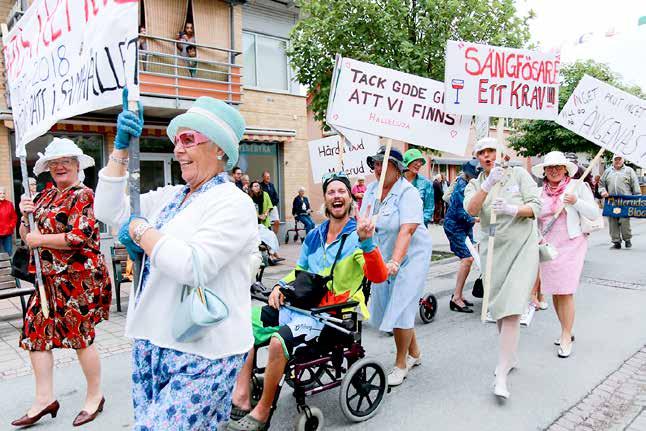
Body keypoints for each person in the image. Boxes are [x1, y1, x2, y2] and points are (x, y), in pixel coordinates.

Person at [94, 94, 259, 430]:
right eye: (176, 140)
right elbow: (108, 212)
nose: (178, 149)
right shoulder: (171, 196)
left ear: (219, 149)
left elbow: (193, 265)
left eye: (188, 139)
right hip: (151, 342)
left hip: (205, 351)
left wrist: (142, 232)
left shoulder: (233, 203)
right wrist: (120, 150)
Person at [227, 172, 388, 431]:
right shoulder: (314, 235)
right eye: (331, 192)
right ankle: (243, 394)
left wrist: (368, 242)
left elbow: (378, 277)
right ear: (325, 198)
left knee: (280, 341)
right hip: (301, 304)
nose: (336, 196)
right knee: (244, 323)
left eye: (341, 191)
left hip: (334, 316)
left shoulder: (358, 234)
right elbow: (299, 271)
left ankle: (263, 412)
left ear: (349, 198)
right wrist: (279, 286)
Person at [12, 138, 112, 427]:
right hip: (47, 279)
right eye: (54, 163)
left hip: (77, 278)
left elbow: (78, 238)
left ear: (77, 165)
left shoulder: (84, 196)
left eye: (65, 162)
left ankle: (95, 396)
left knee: (81, 338)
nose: (59, 167)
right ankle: (44, 399)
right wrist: (24, 215)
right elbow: (25, 235)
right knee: (35, 335)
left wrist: (39, 239)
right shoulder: (42, 197)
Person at [464, 137, 541, 400]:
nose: (487, 156)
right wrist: (487, 185)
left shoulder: (518, 174)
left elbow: (537, 207)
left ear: (500, 152)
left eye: (491, 151)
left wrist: (512, 209)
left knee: (510, 308)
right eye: (482, 152)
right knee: (499, 307)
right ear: (477, 158)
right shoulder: (475, 183)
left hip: (522, 248)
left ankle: (501, 373)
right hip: (493, 250)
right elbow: (470, 209)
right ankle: (510, 354)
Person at [361, 146, 433, 387]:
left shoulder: (408, 192)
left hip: (411, 257)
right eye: (375, 163)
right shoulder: (371, 190)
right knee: (390, 304)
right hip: (383, 254)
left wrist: (396, 261)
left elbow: (407, 229)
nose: (377, 168)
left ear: (397, 168)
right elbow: (363, 224)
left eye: (383, 163)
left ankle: (401, 363)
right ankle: (415, 353)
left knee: (401, 305)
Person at [532, 151, 599, 358]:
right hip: (548, 246)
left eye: (558, 167)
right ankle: (565, 328)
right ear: (544, 171)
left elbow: (594, 213)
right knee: (555, 290)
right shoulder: (537, 192)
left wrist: (576, 201)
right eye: (550, 168)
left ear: (565, 169)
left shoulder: (577, 187)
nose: (554, 171)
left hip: (572, 244)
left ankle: (566, 334)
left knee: (566, 290)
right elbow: (535, 220)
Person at [444, 159, 480, 313]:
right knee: (467, 259)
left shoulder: (468, 184)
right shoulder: (461, 186)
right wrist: (475, 218)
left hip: (465, 226)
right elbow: (459, 211)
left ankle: (459, 294)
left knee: (469, 259)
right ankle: (456, 298)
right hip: (456, 226)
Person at [598, 154, 641, 249]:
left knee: (624, 220)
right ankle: (616, 242)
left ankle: (627, 239)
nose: (617, 161)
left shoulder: (629, 171)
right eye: (615, 159)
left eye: (619, 159)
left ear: (623, 160)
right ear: (613, 160)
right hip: (611, 201)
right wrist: (603, 191)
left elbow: (635, 185)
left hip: (625, 201)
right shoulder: (608, 171)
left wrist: (637, 198)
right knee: (612, 222)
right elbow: (601, 184)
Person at [403, 148, 434, 226]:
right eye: (416, 161)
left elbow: (429, 209)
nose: (419, 164)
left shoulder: (426, 183)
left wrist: (418, 224)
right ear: (407, 162)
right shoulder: (397, 181)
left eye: (420, 161)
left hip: (419, 228)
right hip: (398, 228)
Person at [260, 171, 280, 235]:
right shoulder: (260, 186)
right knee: (266, 223)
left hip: (273, 206)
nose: (268, 178)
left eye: (269, 176)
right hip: (265, 208)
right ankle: (268, 239)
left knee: (277, 221)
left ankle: (274, 237)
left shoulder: (271, 185)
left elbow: (276, 197)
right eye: (267, 177)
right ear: (263, 177)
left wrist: (272, 205)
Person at [0, 186, 17, 255]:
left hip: (7, 232)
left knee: (8, 252)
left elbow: (14, 217)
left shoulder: (9, 204)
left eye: (3, 193)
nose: (2, 195)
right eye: (0, 193)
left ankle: (9, 264)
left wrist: (11, 226)